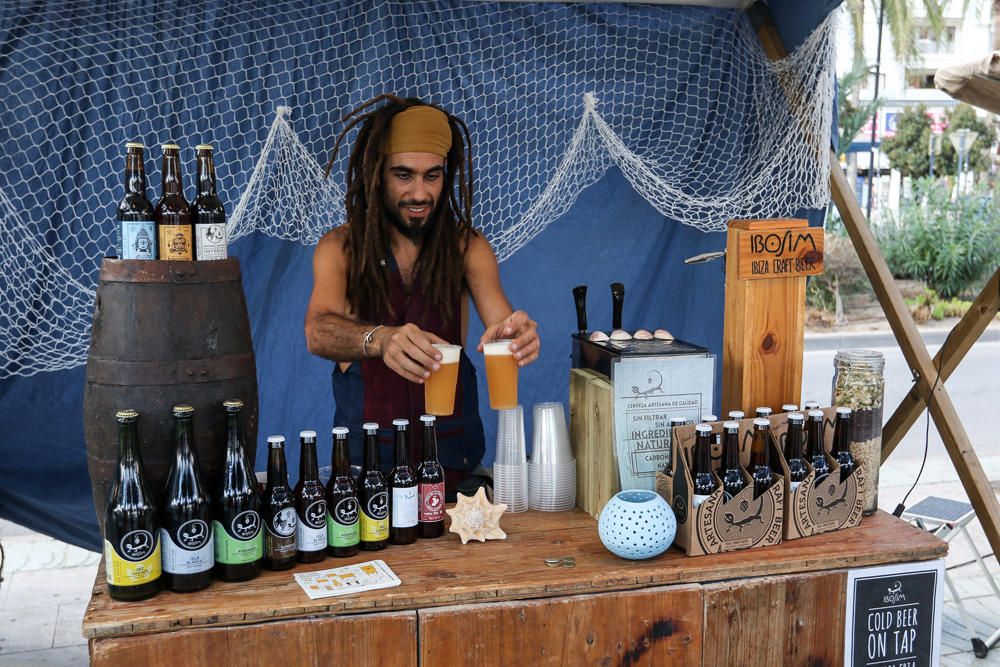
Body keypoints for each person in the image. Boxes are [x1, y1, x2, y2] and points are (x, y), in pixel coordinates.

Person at [304, 94, 540, 494]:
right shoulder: (341, 247)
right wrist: (380, 339)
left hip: (454, 465)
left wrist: (519, 334)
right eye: (403, 175)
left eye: (432, 175)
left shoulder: (468, 246)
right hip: (368, 466)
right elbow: (318, 331)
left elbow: (502, 324)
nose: (419, 193)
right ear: (377, 173)